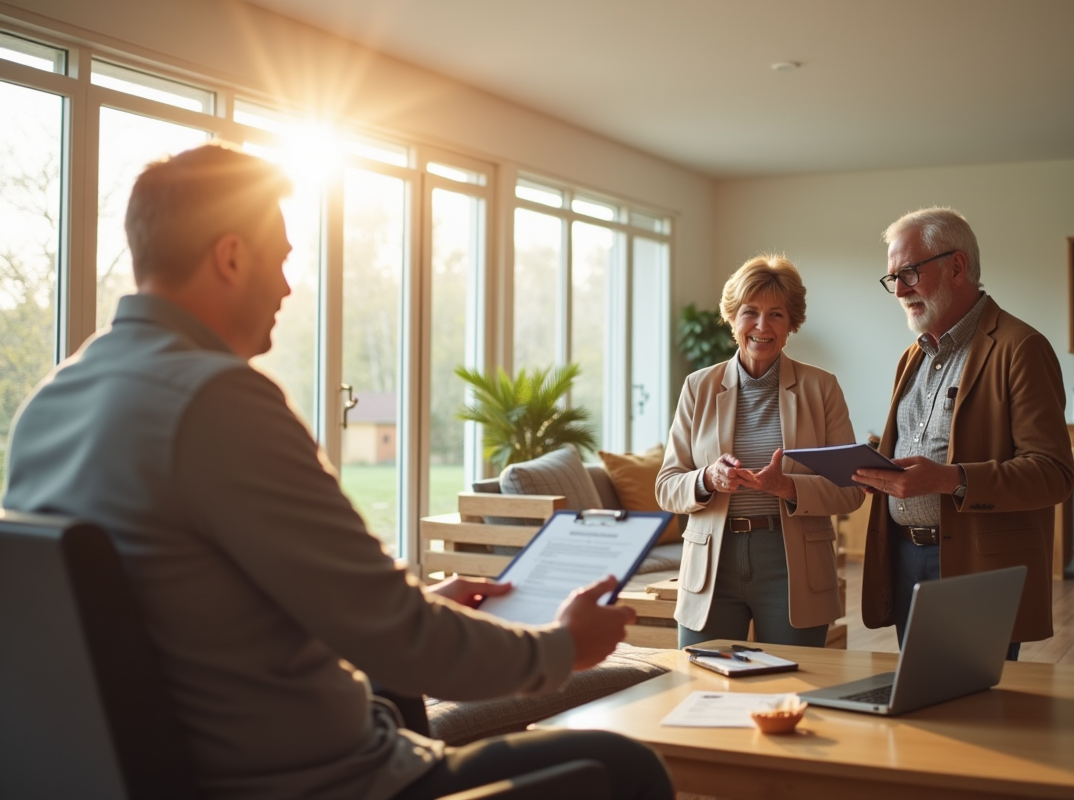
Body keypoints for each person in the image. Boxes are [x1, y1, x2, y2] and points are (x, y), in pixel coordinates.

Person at [1, 143, 672, 800]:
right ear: (230, 256)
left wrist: (412, 611)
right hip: (320, 782)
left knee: (397, 698)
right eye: (281, 260)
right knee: (626, 767)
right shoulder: (217, 400)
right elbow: (403, 641)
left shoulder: (52, 400)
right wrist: (562, 647)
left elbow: (194, 609)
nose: (288, 287)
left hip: (176, 766)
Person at [853, 207, 1074, 660]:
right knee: (922, 712)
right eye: (892, 277)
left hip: (976, 565)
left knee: (970, 715)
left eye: (910, 272)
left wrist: (946, 479)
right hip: (904, 558)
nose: (899, 290)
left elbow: (1053, 474)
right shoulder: (910, 358)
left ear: (957, 266)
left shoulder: (1021, 348)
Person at [656, 254, 865, 648]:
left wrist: (788, 487)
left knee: (796, 685)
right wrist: (706, 478)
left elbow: (851, 491)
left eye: (776, 315)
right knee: (704, 685)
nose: (762, 326)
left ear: (792, 325)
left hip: (792, 563)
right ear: (733, 318)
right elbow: (666, 486)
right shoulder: (697, 387)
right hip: (712, 561)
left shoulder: (822, 388)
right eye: (750, 312)